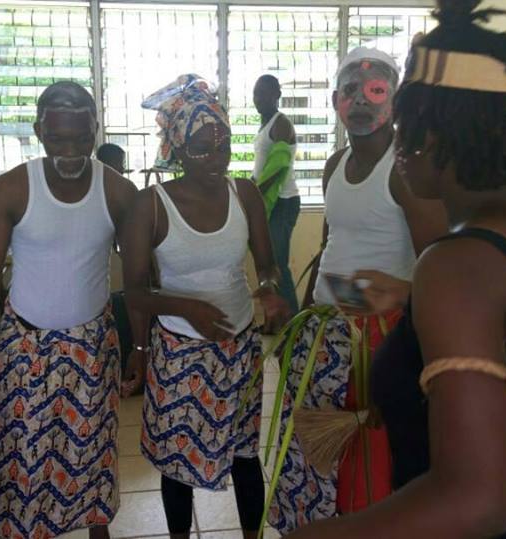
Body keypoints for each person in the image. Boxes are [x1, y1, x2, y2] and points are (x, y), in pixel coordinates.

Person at [287, 1, 506, 537]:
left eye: (406, 124)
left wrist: (327, 534)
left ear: (432, 137)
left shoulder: (457, 265)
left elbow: (476, 501)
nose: (397, 143)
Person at [267, 44, 447, 534]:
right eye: (351, 90)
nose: (362, 101)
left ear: (395, 101)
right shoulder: (335, 164)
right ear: (335, 101)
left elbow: (443, 272)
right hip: (325, 333)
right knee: (315, 455)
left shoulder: (407, 169)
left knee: (366, 463)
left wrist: (402, 311)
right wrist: (301, 326)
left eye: (376, 90)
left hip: (380, 339)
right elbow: (329, 246)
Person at [0, 81, 138, 539]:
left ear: (96, 131)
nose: (70, 152)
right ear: (39, 131)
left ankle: (98, 530)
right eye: (58, 139)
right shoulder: (12, 190)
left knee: (93, 448)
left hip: (92, 345)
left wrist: (140, 346)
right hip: (26, 345)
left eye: (82, 139)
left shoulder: (118, 192)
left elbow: (139, 276)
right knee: (24, 454)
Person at [120, 74, 288, 539]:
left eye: (224, 146)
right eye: (202, 149)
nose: (217, 158)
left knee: (245, 455)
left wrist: (269, 288)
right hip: (179, 352)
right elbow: (134, 292)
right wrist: (185, 308)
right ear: (176, 148)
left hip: (239, 348)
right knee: (177, 463)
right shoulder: (151, 206)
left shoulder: (244, 194)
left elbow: (267, 264)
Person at [252, 74, 299, 317]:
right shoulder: (265, 125)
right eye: (256, 93)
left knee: (278, 265)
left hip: (283, 201)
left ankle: (295, 326)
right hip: (267, 202)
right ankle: (278, 321)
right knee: (269, 266)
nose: (258, 98)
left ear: (277, 95)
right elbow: (261, 168)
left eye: (264, 93)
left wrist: (255, 191)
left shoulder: (282, 124)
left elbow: (279, 165)